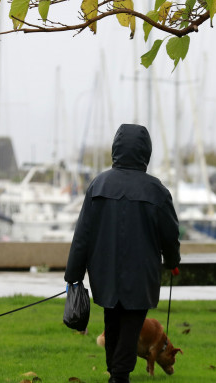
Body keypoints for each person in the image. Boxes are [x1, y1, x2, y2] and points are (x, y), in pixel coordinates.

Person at [64, 124, 181, 383]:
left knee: (112, 319)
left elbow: (82, 234)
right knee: (131, 323)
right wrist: (173, 262)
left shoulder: (99, 185)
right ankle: (119, 375)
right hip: (142, 273)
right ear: (146, 152)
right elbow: (170, 235)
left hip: (104, 271)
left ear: (116, 148)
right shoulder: (157, 190)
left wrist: (74, 274)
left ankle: (116, 371)